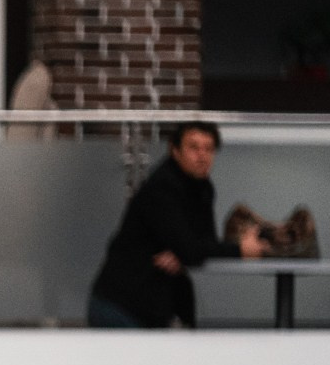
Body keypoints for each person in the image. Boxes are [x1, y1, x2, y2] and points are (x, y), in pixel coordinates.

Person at [87, 122, 262, 329]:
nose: (202, 156)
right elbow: (192, 249)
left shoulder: (202, 188)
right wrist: (240, 250)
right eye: (193, 147)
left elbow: (203, 242)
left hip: (150, 305)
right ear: (175, 150)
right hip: (121, 306)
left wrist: (184, 251)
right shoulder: (163, 188)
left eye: (208, 149)